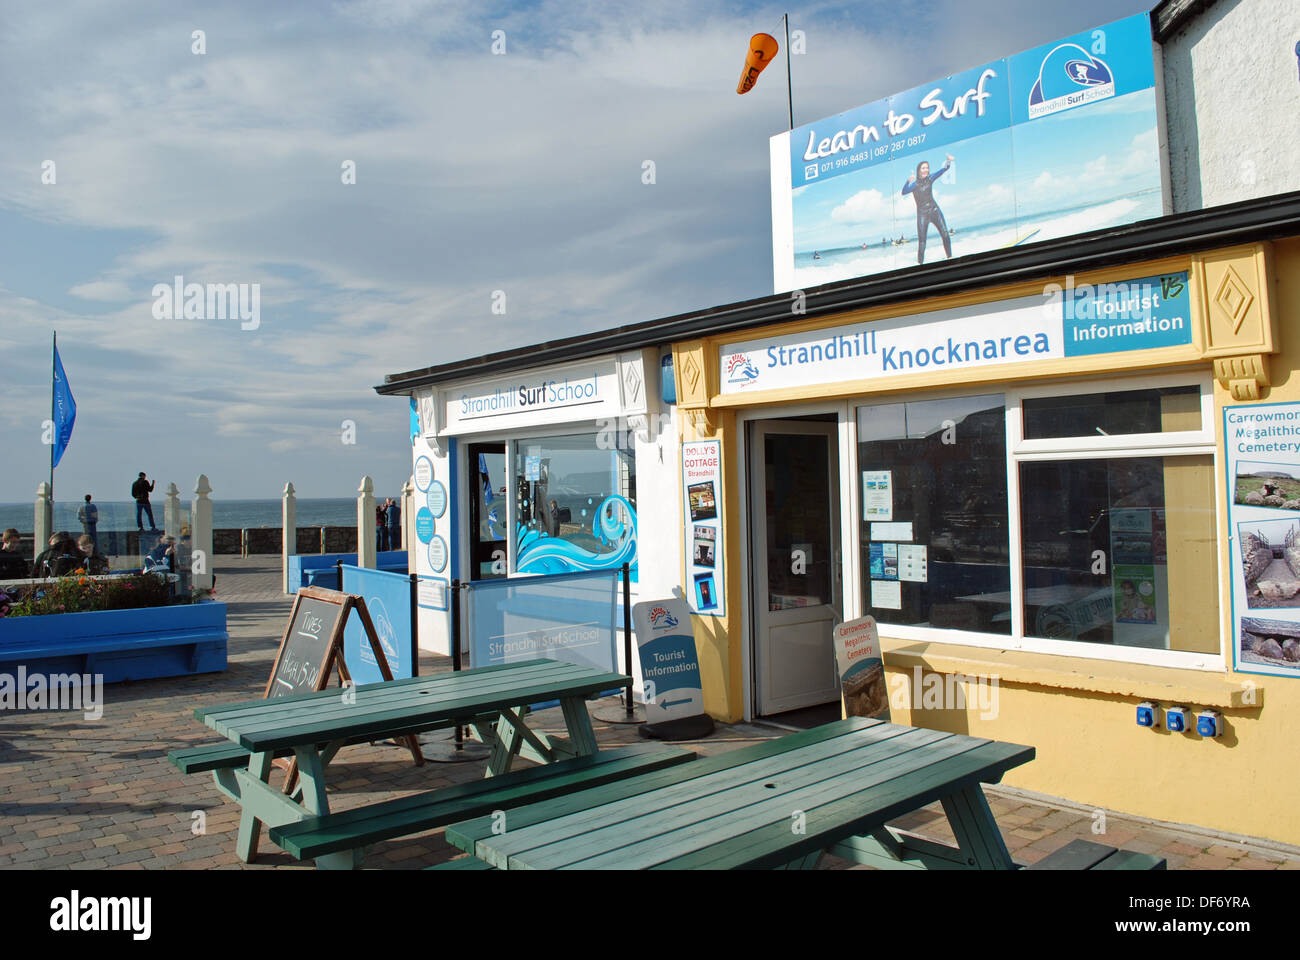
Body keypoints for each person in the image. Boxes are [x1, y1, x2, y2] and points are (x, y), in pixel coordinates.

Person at [902, 153, 955, 264]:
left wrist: (948, 161)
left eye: (927, 167)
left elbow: (944, 169)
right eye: (923, 168)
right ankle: (919, 265)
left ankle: (950, 258)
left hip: (934, 210)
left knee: (945, 234)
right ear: (919, 170)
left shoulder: (931, 178)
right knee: (922, 243)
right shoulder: (915, 184)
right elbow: (904, 192)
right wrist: (908, 180)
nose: (926, 170)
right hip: (922, 214)